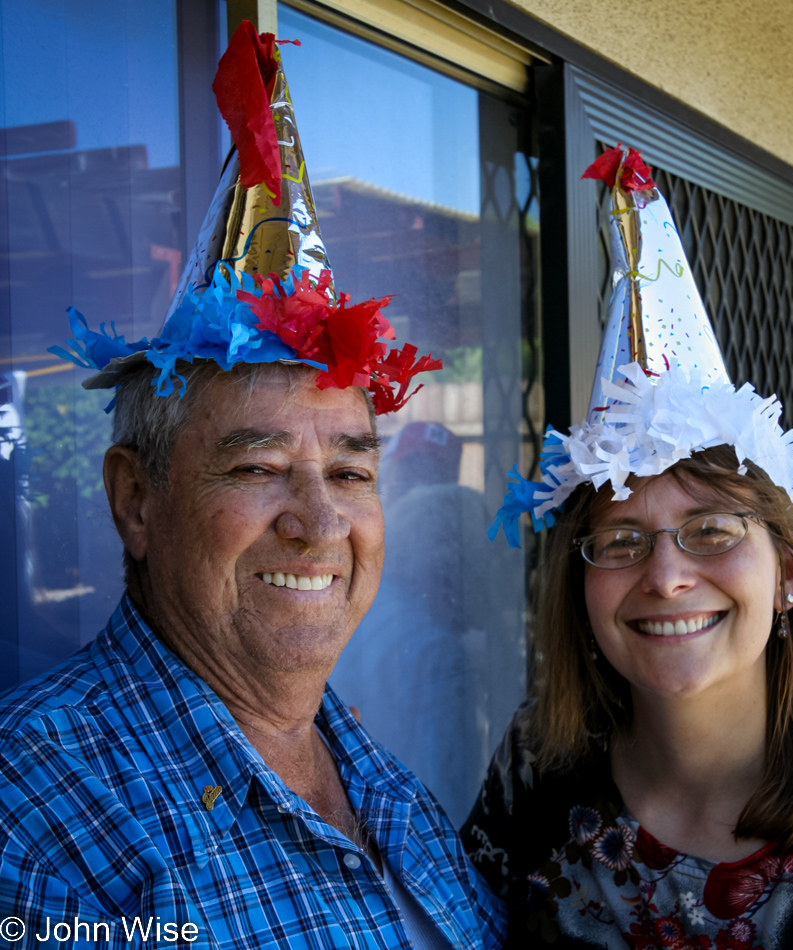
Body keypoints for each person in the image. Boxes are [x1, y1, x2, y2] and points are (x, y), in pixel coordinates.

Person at [0, 22, 505, 950]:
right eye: (259, 468)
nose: (319, 522)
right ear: (135, 500)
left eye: (350, 472)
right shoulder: (32, 814)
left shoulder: (382, 784)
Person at [461, 146, 793, 948]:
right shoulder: (533, 767)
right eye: (620, 541)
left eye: (710, 532)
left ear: (786, 572)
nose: (667, 576)